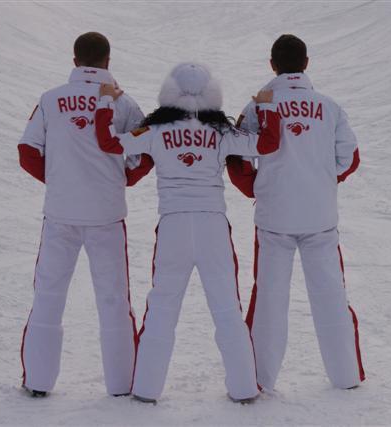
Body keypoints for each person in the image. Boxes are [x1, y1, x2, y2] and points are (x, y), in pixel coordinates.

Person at [94, 63, 282, 403]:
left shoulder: (154, 130)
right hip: (212, 225)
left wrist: (106, 101)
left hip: (173, 226)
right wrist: (267, 107)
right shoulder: (221, 132)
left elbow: (108, 142)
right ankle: (244, 388)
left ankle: (146, 388)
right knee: (227, 308)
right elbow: (267, 144)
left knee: (162, 308)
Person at [17, 32, 153, 398]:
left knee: (48, 295)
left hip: (60, 213)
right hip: (106, 214)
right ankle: (121, 384)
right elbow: (146, 151)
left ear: (75, 61)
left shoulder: (50, 99)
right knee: (114, 299)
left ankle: (37, 382)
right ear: (108, 60)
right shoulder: (124, 103)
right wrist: (121, 179)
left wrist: (61, 181)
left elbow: (28, 152)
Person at [227, 34, 365, 391]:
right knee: (331, 294)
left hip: (275, 215)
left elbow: (237, 157)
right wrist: (322, 180)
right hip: (319, 216)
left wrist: (258, 188)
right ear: (306, 64)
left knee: (269, 298)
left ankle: (259, 379)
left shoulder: (257, 105)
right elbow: (350, 158)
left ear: (272, 65)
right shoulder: (329, 106)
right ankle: (346, 376)